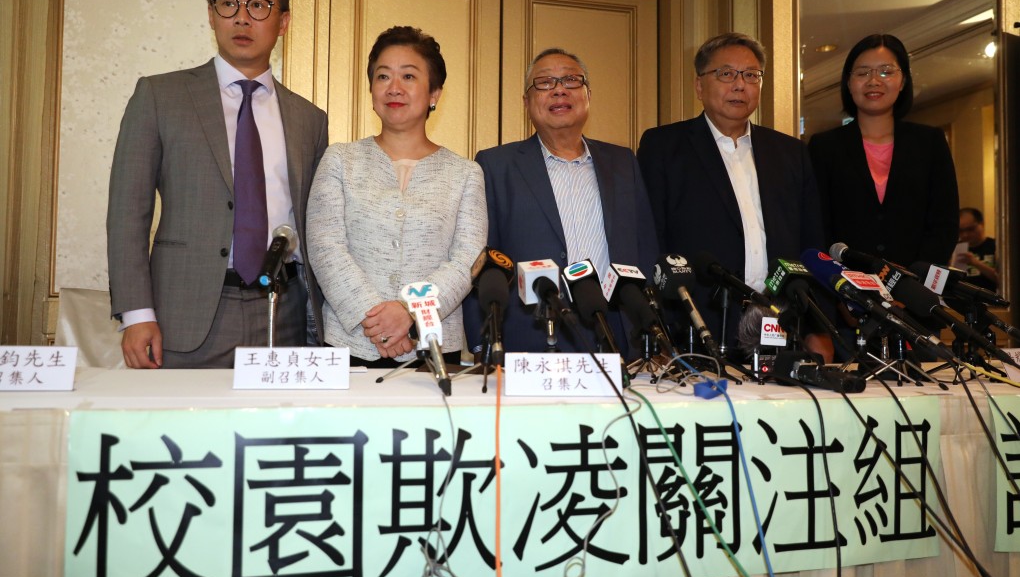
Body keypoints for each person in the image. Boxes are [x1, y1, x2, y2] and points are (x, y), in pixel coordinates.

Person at [107, 0, 329, 369]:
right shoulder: (159, 97)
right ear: (211, 14)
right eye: (228, 3)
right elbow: (127, 213)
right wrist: (137, 314)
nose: (242, 18)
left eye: (258, 5)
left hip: (283, 314)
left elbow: (315, 224)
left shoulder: (309, 119)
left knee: (272, 432)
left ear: (283, 22)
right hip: (184, 314)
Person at [637, 32, 832, 360]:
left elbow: (811, 245)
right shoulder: (664, 147)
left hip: (783, 323)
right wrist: (659, 329)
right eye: (726, 74)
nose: (739, 85)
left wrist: (818, 328)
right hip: (698, 326)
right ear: (699, 86)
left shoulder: (790, 152)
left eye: (751, 75)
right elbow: (650, 241)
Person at [306, 26, 486, 367]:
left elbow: (466, 261)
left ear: (434, 92)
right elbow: (325, 247)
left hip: (432, 346)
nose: (394, 88)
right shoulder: (340, 160)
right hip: (352, 342)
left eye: (408, 76)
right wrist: (375, 320)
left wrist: (408, 313)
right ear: (372, 89)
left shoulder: (465, 173)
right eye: (383, 76)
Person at [463, 48, 657, 355]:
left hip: (615, 329)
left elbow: (644, 248)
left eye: (570, 80)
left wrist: (651, 327)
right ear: (527, 102)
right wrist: (483, 341)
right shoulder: (496, 165)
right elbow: (482, 261)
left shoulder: (622, 162)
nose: (559, 89)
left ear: (588, 95)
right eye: (544, 83)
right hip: (531, 331)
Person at [808, 34, 959, 269]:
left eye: (886, 71)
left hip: (915, 292)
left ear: (903, 81)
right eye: (862, 72)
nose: (874, 81)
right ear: (848, 83)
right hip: (846, 291)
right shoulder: (824, 146)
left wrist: (914, 284)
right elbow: (817, 225)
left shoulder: (930, 142)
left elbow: (944, 224)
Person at [957, 207, 998, 291]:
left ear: (982, 224)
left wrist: (975, 262)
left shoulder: (996, 246)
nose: (965, 235)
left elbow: (1004, 280)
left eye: (970, 229)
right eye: (960, 231)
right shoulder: (955, 249)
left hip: (992, 299)